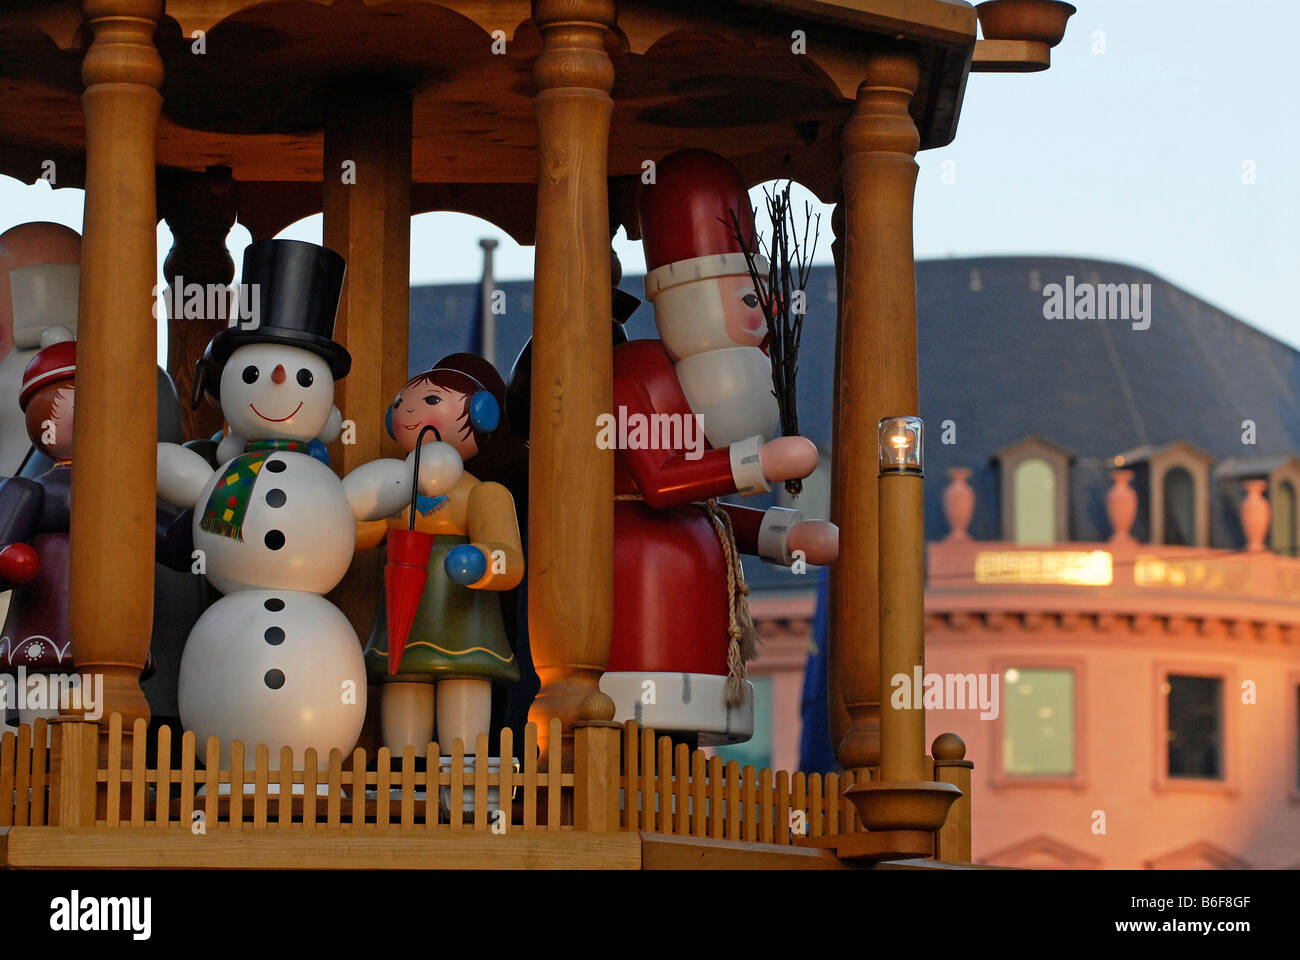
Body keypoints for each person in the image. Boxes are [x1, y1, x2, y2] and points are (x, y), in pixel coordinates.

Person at [358, 354, 527, 756]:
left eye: (431, 401)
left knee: (465, 686)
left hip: (465, 622)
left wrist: (483, 562)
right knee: (403, 689)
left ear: (480, 416)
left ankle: (466, 783)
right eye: (401, 403)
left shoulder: (482, 494)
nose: (409, 410)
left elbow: (510, 560)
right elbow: (368, 531)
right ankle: (401, 784)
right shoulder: (396, 491)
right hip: (405, 617)